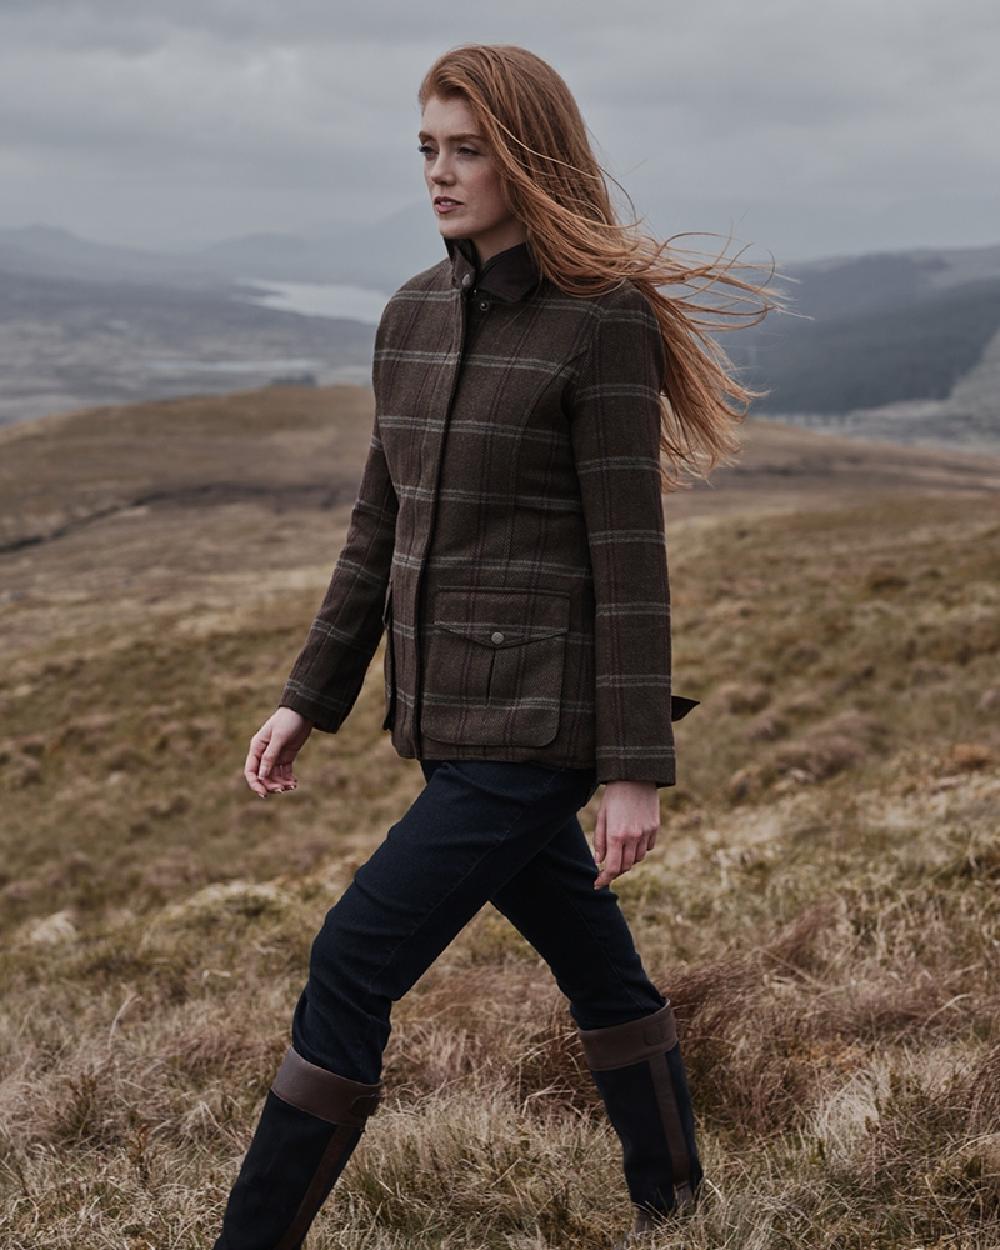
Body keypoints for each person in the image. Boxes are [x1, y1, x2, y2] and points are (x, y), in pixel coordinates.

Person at [211, 42, 782, 1250]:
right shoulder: (409, 317)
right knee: (596, 964)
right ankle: (675, 1203)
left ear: (527, 156)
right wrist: (305, 697)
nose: (440, 171)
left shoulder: (597, 324)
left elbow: (629, 555)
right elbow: (380, 527)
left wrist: (631, 761)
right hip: (446, 716)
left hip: (541, 722)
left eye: (467, 148)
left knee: (353, 953)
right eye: (427, 147)